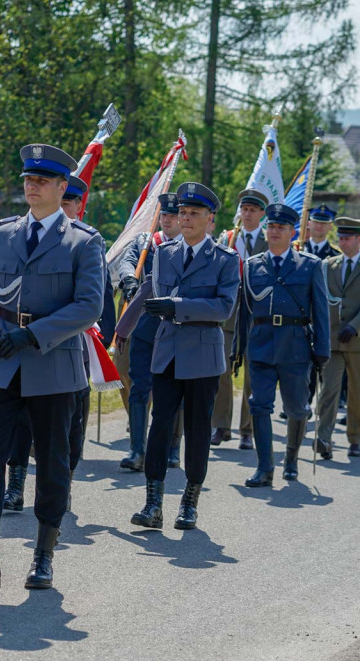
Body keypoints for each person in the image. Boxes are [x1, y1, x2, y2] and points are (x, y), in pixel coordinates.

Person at [0, 144, 104, 590]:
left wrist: (34, 334)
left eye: (42, 180)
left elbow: (89, 307)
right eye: (28, 179)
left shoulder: (84, 242)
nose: (31, 185)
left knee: (52, 464)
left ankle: (44, 557)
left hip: (53, 364)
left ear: (62, 188)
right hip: (0, 361)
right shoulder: (1, 234)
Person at [129, 182, 239, 531]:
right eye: (183, 213)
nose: (186, 218)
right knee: (159, 427)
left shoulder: (226, 259)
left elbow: (222, 307)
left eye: (194, 213)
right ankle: (152, 503)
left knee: (197, 430)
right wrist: (184, 306)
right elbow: (159, 294)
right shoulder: (164, 253)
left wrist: (178, 305)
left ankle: (189, 503)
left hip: (203, 357)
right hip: (168, 352)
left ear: (210, 219)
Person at [1, 175, 114, 512]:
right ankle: (16, 482)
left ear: (78, 205)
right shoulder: (30, 237)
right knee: (21, 419)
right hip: (27, 345)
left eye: (68, 204)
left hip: (73, 348)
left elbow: (101, 303)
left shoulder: (87, 244)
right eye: (60, 204)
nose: (62, 210)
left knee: (71, 425)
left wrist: (101, 342)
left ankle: (63, 481)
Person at [239, 203, 330, 486]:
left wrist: (322, 350)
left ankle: (291, 459)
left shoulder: (310, 265)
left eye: (281, 227)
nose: (275, 231)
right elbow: (244, 311)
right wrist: (237, 349)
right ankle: (265, 467)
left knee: (297, 407)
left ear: (292, 232)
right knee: (259, 405)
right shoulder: (253, 265)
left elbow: (321, 311)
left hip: (295, 346)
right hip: (262, 344)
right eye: (271, 226)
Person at [116, 192, 185, 472]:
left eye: (172, 215)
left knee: (172, 387)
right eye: (164, 215)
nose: (167, 220)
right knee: (139, 385)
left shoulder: (189, 247)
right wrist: (129, 280)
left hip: (176, 328)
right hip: (144, 327)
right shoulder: (147, 242)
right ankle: (136, 449)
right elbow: (127, 262)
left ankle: (172, 446)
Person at [314, 218, 360, 459]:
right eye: (341, 238)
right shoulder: (328, 265)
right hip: (333, 340)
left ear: (359, 239)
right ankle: (323, 438)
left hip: (359, 341)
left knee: (358, 393)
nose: (343, 242)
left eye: (347, 238)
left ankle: (355, 438)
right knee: (328, 391)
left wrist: (355, 326)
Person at [213, 189, 270, 450]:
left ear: (261, 214)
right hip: (229, 315)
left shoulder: (270, 242)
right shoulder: (228, 237)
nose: (247, 214)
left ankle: (247, 430)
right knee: (222, 371)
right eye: (244, 209)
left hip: (256, 316)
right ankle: (221, 426)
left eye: (252, 210)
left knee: (252, 373)